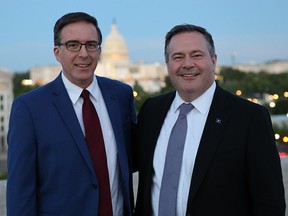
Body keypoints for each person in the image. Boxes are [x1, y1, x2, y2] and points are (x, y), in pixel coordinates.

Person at [133, 24, 286, 215]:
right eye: (178, 57)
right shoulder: (151, 111)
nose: (187, 64)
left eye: (196, 55)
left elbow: (270, 203)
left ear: (213, 61)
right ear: (168, 65)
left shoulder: (249, 118)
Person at [7, 12, 136, 216]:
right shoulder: (29, 107)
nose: (83, 53)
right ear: (57, 52)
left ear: (99, 50)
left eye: (91, 45)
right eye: (73, 45)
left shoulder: (121, 95)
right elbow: (20, 190)